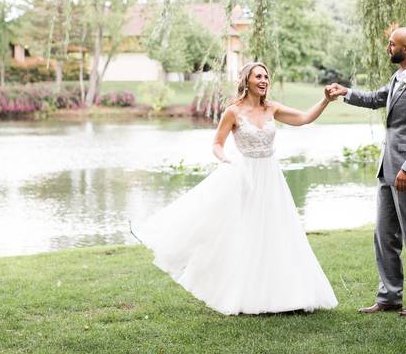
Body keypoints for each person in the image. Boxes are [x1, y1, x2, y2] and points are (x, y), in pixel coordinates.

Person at [132, 61, 339, 315]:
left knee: (277, 232)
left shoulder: (272, 108)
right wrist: (226, 159)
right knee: (247, 234)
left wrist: (325, 101)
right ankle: (246, 295)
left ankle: (286, 296)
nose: (263, 80)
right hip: (245, 176)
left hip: (271, 178)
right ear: (247, 81)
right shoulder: (233, 111)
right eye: (258, 76)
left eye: (266, 77)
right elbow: (217, 143)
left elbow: (304, 118)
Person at [326, 26, 406, 316]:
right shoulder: (397, 79)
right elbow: (375, 99)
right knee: (384, 235)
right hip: (387, 169)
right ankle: (389, 297)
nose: (388, 48)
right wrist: (346, 92)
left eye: (393, 45)